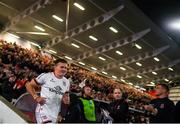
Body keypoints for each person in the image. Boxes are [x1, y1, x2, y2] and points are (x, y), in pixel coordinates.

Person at [26, 58, 70, 123]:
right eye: (62, 67)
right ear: (55, 67)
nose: (64, 69)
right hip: (43, 110)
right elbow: (29, 85)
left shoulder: (67, 82)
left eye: (66, 68)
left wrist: (66, 101)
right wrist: (36, 97)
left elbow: (65, 97)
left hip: (55, 114)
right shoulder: (46, 76)